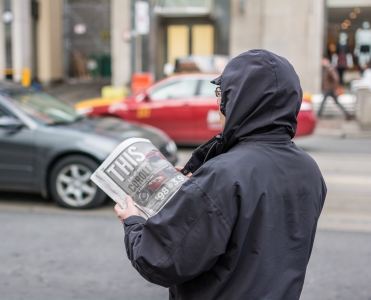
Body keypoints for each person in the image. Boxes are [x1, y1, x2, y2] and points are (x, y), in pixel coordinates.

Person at [115, 50, 327, 299]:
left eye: (222, 94)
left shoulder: (223, 175)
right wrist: (196, 190)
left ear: (236, 100)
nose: (218, 104)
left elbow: (159, 261)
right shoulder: (308, 168)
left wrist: (133, 222)